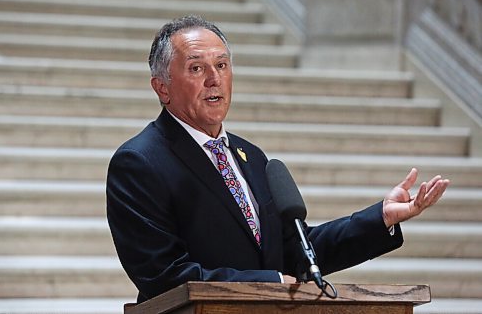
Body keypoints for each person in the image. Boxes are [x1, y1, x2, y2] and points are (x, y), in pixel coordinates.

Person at [106, 15, 450, 303]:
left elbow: (295, 251)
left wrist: (380, 218)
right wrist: (269, 282)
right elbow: (164, 275)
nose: (215, 79)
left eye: (222, 65)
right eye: (197, 68)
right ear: (162, 87)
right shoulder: (140, 162)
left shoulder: (251, 157)